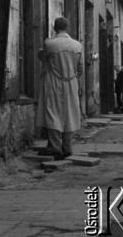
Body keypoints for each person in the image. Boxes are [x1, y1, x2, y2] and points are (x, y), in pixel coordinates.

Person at [35, 17, 83, 160]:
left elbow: (43, 58)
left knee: (53, 112)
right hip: (71, 82)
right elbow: (80, 69)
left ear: (55, 28)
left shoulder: (50, 44)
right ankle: (67, 147)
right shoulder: (77, 45)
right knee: (69, 113)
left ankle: (54, 147)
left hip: (54, 81)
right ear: (67, 27)